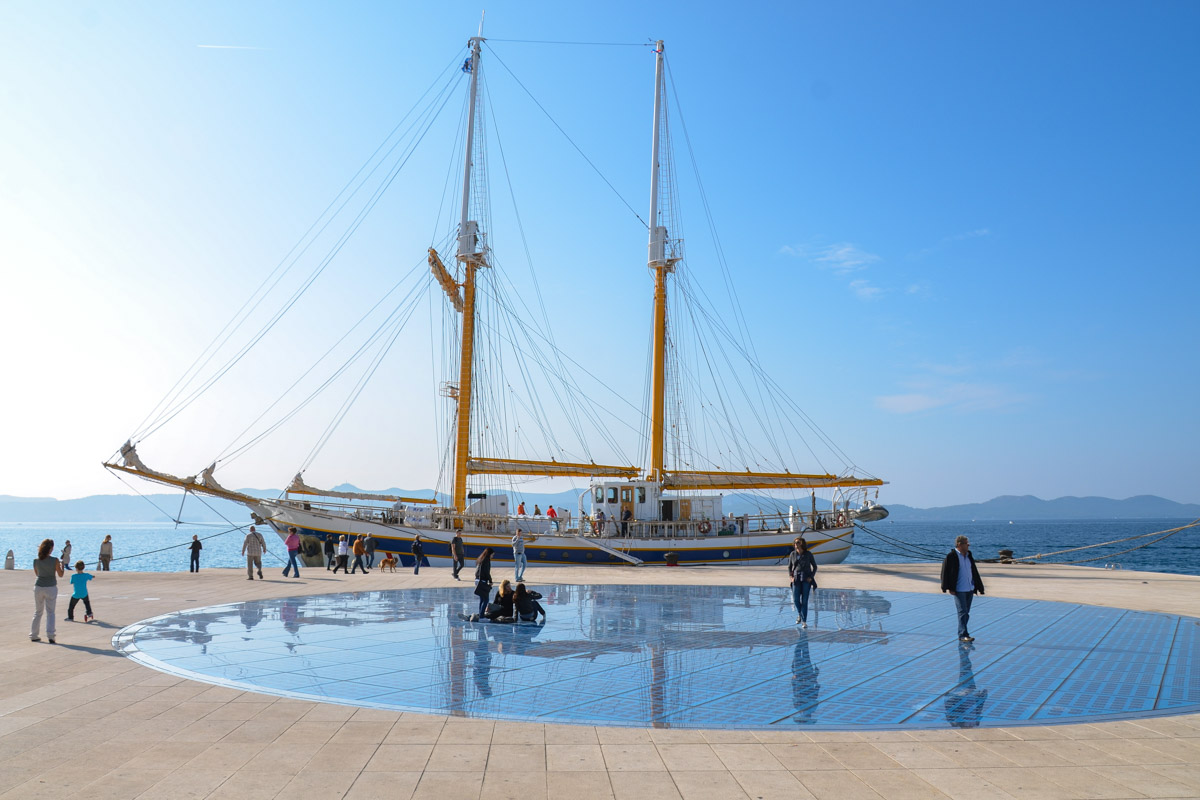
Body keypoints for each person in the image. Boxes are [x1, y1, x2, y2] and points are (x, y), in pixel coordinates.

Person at [941, 535, 985, 642]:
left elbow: (974, 571)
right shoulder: (951, 556)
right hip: (959, 589)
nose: (968, 545)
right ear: (960, 545)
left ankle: (963, 632)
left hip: (969, 588)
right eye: (966, 543)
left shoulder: (969, 555)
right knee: (962, 612)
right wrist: (946, 587)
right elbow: (945, 572)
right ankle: (963, 634)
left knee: (966, 613)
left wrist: (979, 587)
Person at [31, 539, 63, 642]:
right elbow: (60, 574)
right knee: (50, 612)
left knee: (38, 612)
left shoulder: (36, 560)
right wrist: (62, 566)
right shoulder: (55, 560)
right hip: (51, 587)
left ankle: (34, 634)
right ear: (50, 548)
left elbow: (37, 574)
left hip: (39, 586)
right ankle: (51, 635)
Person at [788, 537, 818, 628]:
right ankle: (800, 614)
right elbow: (789, 567)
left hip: (806, 578)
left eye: (797, 542)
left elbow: (815, 566)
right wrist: (791, 577)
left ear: (802, 544)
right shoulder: (792, 554)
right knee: (796, 599)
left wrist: (811, 577)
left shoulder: (808, 554)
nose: (795, 544)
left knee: (804, 600)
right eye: (795, 542)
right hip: (796, 578)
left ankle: (804, 621)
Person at [474, 547, 494, 617]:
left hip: (477, 580)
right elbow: (486, 572)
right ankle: (482, 616)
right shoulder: (486, 560)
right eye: (492, 555)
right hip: (482, 581)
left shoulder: (480, 559)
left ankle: (480, 614)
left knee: (482, 599)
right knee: (486, 599)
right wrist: (490, 581)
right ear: (489, 554)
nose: (492, 556)